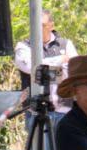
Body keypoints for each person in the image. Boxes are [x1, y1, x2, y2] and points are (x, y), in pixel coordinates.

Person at [14, 9, 77, 137]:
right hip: (36, 113)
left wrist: (40, 72)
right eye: (34, 26)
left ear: (51, 25)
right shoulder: (23, 47)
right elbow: (31, 67)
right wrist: (60, 60)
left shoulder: (66, 44)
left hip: (65, 112)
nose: (37, 30)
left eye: (42, 25)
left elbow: (74, 73)